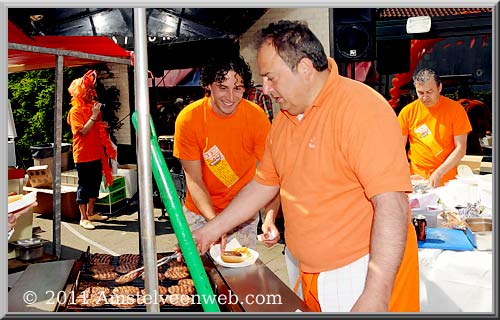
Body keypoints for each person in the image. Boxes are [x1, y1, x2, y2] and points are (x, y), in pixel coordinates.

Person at [188, 20, 420, 312]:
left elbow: (392, 205)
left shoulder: (362, 109)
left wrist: (377, 292)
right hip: (306, 269)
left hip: (359, 272)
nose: (266, 89)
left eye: (271, 78)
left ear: (305, 68)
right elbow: (264, 184)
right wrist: (211, 230)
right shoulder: (285, 118)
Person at [173, 54, 280, 250]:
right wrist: (216, 225)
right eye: (222, 87)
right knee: (198, 277)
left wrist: (270, 218)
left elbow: (272, 176)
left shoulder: (256, 118)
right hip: (199, 213)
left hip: (243, 215)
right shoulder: (188, 119)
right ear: (208, 85)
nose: (230, 97)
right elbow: (194, 180)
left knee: (241, 277)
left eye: (237, 88)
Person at [398, 68, 472, 187]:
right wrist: (403, 172)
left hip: (447, 178)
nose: (425, 97)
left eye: (429, 92)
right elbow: (398, 148)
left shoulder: (456, 110)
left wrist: (439, 173)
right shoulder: (407, 112)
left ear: (439, 88)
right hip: (416, 178)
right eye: (420, 93)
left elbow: (461, 148)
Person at [67, 70, 116, 230]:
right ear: (79, 93)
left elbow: (96, 128)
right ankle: (83, 218)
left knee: (95, 184)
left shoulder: (93, 109)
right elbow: (82, 131)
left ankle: (91, 212)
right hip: (82, 155)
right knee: (84, 186)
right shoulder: (75, 112)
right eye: (86, 91)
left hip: (96, 153)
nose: (90, 93)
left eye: (91, 90)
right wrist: (94, 116)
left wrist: (103, 126)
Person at [456, 85, 492, 155]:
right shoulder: (479, 104)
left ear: (458, 96)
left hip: (456, 144)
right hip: (474, 143)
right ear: (471, 95)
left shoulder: (453, 106)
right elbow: (487, 124)